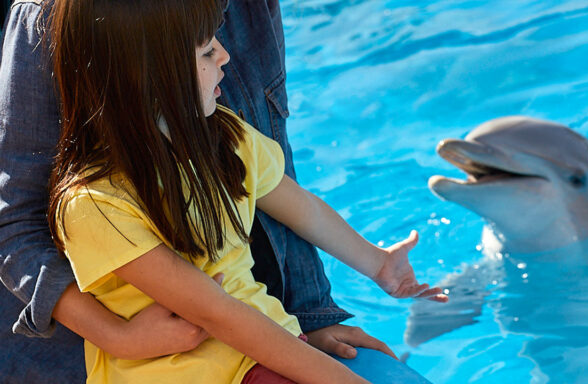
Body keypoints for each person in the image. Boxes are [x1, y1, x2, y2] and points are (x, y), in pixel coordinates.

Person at [0, 0, 443, 382]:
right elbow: (216, 315)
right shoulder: (96, 204)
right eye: (209, 49)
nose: (226, 56)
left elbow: (296, 207)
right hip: (195, 367)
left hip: (257, 348)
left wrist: (373, 267)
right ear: (155, 74)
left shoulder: (221, 136)